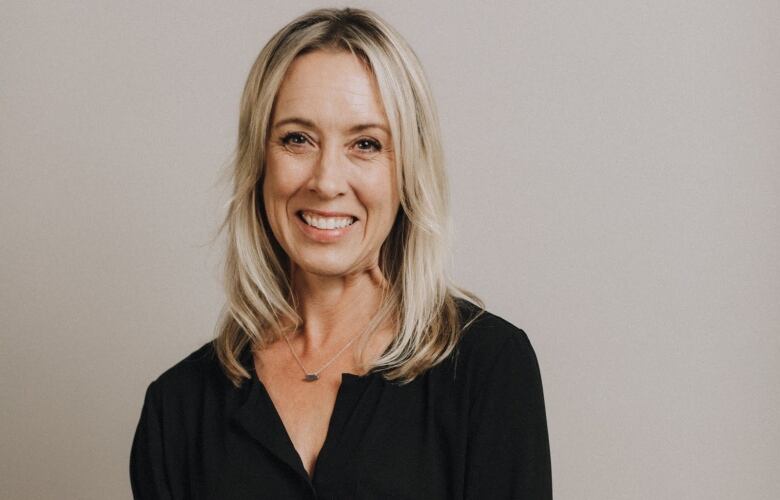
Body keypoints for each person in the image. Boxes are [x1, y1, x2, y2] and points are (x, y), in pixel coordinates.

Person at [130, 7, 552, 499]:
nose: (327, 181)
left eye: (366, 144)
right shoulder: (178, 408)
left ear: (408, 171)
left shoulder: (487, 368)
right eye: (297, 139)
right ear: (259, 160)